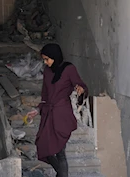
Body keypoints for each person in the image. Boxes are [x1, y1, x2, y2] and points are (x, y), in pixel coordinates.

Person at [26, 43, 88, 177]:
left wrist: (81, 89)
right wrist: (37, 110)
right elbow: (45, 95)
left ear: (55, 57)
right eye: (44, 59)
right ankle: (61, 174)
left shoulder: (69, 69)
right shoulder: (48, 72)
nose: (45, 62)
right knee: (42, 146)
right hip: (48, 114)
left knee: (60, 151)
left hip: (62, 114)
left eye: (47, 59)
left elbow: (81, 85)